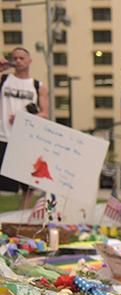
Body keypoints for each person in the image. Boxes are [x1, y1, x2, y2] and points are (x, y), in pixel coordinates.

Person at [0, 47, 49, 210]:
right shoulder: (4, 79)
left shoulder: (37, 86)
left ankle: (21, 221)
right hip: (2, 137)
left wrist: (24, 118)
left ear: (29, 61)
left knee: (27, 187)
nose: (18, 61)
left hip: (25, 142)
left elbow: (44, 113)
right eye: (15, 58)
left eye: (22, 58)